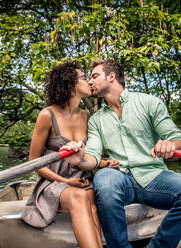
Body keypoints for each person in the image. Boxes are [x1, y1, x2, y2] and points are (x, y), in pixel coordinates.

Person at [62, 59, 181, 248]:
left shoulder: (149, 102)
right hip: (119, 177)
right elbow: (93, 157)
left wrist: (170, 145)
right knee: (104, 180)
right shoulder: (96, 119)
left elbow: (178, 140)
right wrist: (80, 159)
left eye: (95, 76)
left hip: (154, 176)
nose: (90, 81)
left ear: (111, 76)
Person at [21, 61, 118, 248]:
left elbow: (86, 155)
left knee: (93, 207)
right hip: (54, 182)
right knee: (79, 197)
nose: (90, 81)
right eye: (84, 77)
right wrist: (65, 182)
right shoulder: (47, 115)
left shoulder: (86, 116)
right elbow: (33, 160)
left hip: (82, 177)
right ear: (70, 83)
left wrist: (104, 163)